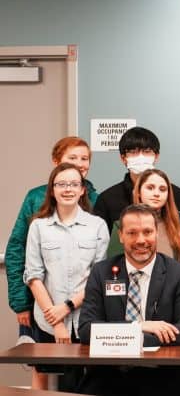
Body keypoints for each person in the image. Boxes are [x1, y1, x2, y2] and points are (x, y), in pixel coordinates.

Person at [78, 205, 180, 396]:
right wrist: (139, 326)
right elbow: (86, 329)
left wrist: (123, 338)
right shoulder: (102, 272)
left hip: (162, 377)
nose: (141, 240)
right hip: (108, 377)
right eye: (132, 233)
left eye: (147, 232)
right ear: (121, 236)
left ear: (157, 233)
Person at [23, 163, 109, 390]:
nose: (68, 189)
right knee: (50, 381)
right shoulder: (39, 226)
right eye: (61, 184)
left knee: (87, 383)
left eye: (74, 184)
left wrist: (68, 306)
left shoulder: (97, 225)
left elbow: (97, 277)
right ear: (52, 190)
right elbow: (33, 276)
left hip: (86, 316)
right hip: (48, 319)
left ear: (82, 190)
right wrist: (57, 320)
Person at [6, 137, 97, 350]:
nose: (79, 163)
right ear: (56, 161)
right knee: (42, 363)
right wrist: (21, 303)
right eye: (72, 157)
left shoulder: (95, 198)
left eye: (84, 158)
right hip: (41, 299)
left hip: (82, 302)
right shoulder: (35, 198)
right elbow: (16, 250)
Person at [93, 127, 180, 230]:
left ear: (156, 156)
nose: (141, 157)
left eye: (147, 151)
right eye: (133, 152)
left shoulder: (179, 197)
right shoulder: (107, 199)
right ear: (123, 158)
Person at [105, 169, 180, 264]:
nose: (156, 194)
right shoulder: (121, 225)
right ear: (138, 192)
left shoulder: (178, 227)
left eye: (162, 189)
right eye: (150, 188)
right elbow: (114, 265)